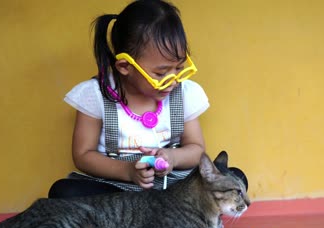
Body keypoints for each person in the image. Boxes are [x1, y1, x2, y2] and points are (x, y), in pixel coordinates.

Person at [48, 0, 247, 199]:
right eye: (161, 73)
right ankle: (149, 225)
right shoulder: (96, 94)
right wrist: (127, 171)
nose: (173, 80)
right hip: (118, 190)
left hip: (172, 189)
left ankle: (158, 224)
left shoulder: (185, 93)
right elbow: (83, 156)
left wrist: (172, 157)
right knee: (64, 192)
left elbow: (196, 149)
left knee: (236, 178)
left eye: (178, 68)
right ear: (125, 66)